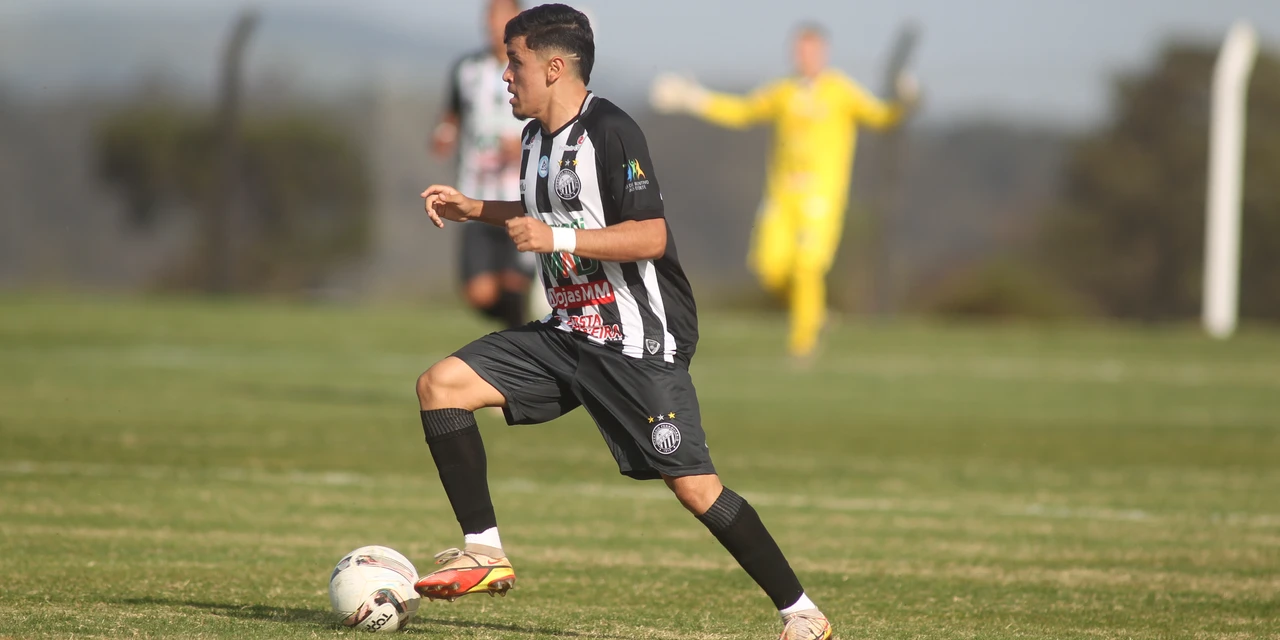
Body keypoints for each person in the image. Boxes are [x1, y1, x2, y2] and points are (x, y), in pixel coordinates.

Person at [415, 5, 833, 639]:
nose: (504, 75)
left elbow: (650, 236)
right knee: (440, 386)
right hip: (567, 332)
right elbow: (542, 209)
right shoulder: (533, 139)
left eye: (515, 62)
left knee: (696, 489)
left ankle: (802, 613)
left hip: (635, 342)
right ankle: (485, 551)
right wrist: (476, 208)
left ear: (554, 68)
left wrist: (556, 238)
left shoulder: (611, 130)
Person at [650, 24, 919, 362]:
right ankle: (815, 315)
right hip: (781, 198)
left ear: (823, 53)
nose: (805, 57)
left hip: (821, 199)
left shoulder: (840, 92)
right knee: (770, 269)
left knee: (807, 266)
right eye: (800, 50)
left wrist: (906, 101)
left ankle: (803, 345)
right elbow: (743, 111)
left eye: (811, 50)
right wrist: (694, 99)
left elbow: (883, 117)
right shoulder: (784, 92)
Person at [431, 0, 551, 329]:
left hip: (521, 197)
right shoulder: (467, 70)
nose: (492, 22)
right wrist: (444, 133)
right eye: (489, 15)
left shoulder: (534, 69)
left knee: (514, 284)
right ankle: (524, 333)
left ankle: (521, 341)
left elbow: (554, 121)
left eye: (500, 15)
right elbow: (452, 114)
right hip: (477, 193)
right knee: (479, 293)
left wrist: (523, 148)